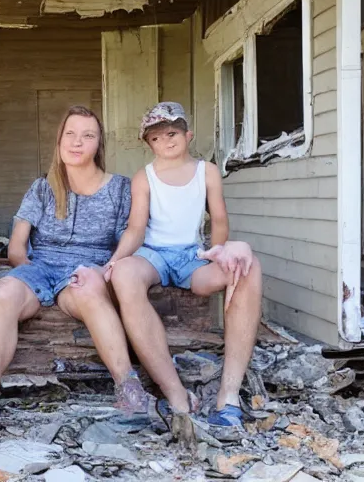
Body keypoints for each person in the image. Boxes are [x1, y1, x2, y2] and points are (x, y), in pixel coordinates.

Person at [0, 105, 146, 415]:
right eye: (70, 134)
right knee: (3, 291)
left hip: (87, 269)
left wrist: (103, 270)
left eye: (87, 135)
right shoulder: (42, 188)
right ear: (59, 140)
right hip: (40, 268)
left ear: (99, 145)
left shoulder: (120, 189)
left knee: (88, 286)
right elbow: (16, 247)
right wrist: (27, 276)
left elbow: (128, 242)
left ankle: (128, 387)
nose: (77, 142)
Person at [108, 102, 262, 433]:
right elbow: (136, 228)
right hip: (154, 254)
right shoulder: (144, 177)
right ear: (148, 144)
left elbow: (218, 219)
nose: (166, 141)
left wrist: (217, 251)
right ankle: (175, 395)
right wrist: (117, 258)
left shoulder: (206, 171)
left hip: (193, 256)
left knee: (247, 268)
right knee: (123, 274)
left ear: (188, 134)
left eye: (172, 133)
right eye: (157, 137)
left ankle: (229, 396)